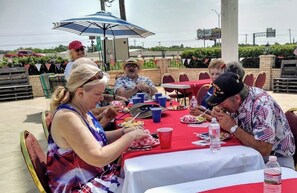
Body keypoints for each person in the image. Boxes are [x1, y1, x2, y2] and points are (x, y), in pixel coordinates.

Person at [47, 63, 148, 192]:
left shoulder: (81, 110)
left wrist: (123, 131)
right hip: (77, 187)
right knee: (143, 185)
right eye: (98, 94)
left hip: (96, 177)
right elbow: (98, 158)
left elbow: (94, 138)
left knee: (141, 176)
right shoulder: (67, 117)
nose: (101, 98)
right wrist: (130, 136)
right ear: (80, 92)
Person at [207, 72, 295, 169]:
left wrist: (233, 128)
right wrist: (218, 117)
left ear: (237, 98)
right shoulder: (239, 100)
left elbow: (264, 150)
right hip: (251, 154)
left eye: (221, 102)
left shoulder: (262, 106)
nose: (219, 106)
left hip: (276, 161)